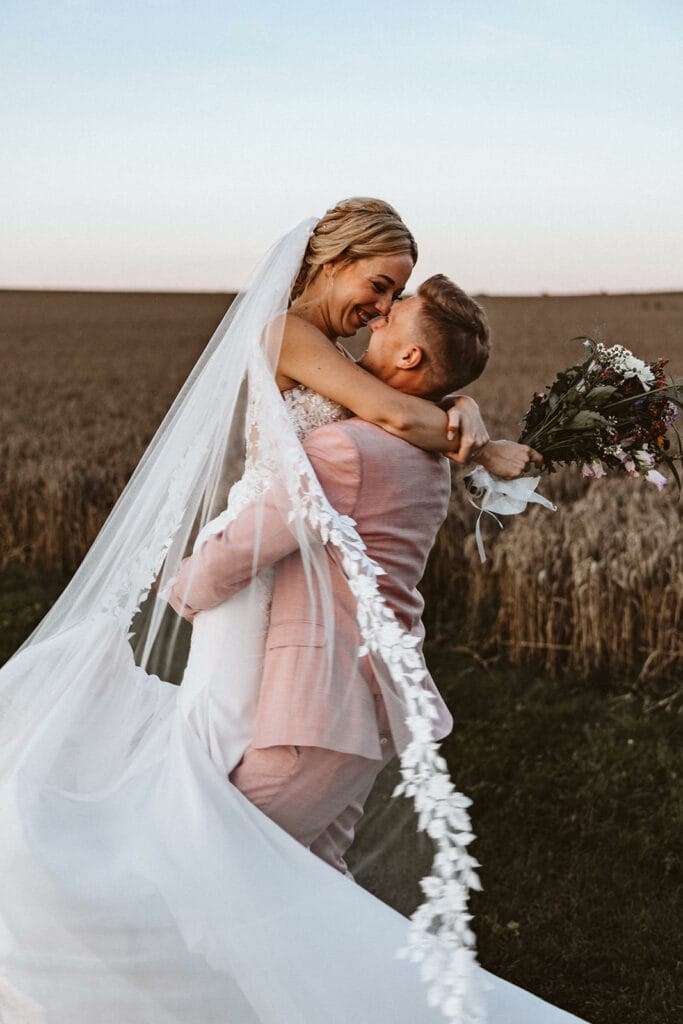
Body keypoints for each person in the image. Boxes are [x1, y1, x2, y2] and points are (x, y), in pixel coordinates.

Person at [0, 206, 586, 1024]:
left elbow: (395, 415)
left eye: (393, 298)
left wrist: (466, 413)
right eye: (378, 287)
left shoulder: (354, 376)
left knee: (234, 853)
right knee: (252, 845)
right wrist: (473, 436)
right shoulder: (286, 333)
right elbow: (397, 414)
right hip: (269, 577)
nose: (381, 309)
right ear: (332, 261)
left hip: (285, 593)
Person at [168, 275, 541, 879]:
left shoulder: (346, 449)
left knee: (219, 862)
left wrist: (184, 589)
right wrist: (463, 410)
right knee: (313, 882)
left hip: (319, 709)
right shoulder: (427, 456)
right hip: (365, 706)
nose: (377, 318)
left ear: (410, 356)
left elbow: (253, 540)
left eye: (393, 316)